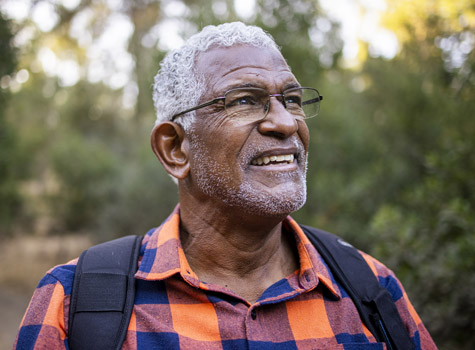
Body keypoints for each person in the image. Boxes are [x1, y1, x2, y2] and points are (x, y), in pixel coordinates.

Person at [15, 22, 436, 349]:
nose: (286, 122)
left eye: (291, 100)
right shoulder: (74, 303)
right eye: (244, 100)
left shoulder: (371, 288)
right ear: (175, 148)